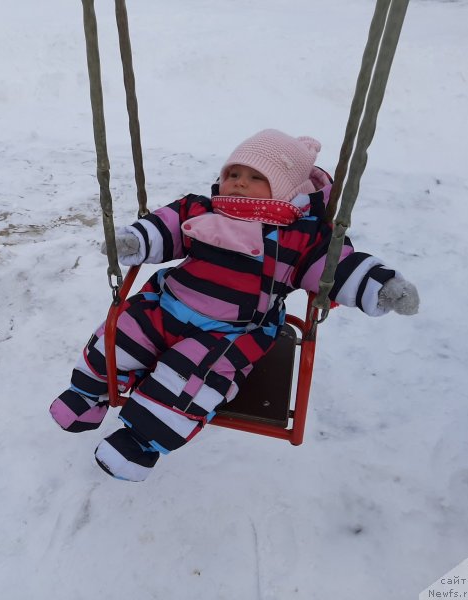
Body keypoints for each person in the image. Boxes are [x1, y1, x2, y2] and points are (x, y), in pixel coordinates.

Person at [49, 129, 420, 482]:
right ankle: (87, 393)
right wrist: (137, 240)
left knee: (192, 377)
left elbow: (334, 267)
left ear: (286, 189)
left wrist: (380, 286)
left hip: (230, 331)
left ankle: (139, 442)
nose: (239, 182)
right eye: (234, 173)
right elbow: (167, 226)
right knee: (122, 334)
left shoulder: (299, 237)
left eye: (256, 177)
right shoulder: (201, 210)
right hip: (168, 305)